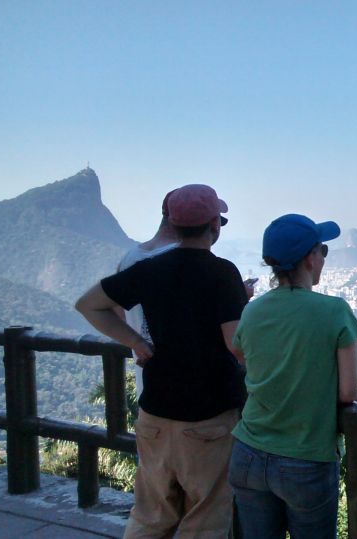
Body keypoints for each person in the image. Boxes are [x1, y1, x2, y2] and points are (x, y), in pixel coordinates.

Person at [75, 184, 247, 538]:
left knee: (151, 516)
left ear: (172, 223)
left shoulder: (149, 269)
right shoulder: (222, 273)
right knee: (206, 518)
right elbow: (236, 344)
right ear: (214, 225)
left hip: (154, 414)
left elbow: (89, 304)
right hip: (208, 419)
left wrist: (136, 342)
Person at [228, 213, 357, 539]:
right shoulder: (334, 311)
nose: (323, 259)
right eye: (323, 250)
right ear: (310, 257)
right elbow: (349, 393)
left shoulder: (253, 309)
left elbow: (240, 352)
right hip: (305, 459)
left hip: (247, 452)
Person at [116, 190, 179, 400]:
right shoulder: (185, 261)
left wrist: (139, 344)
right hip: (192, 398)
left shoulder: (129, 258)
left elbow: (118, 314)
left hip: (148, 391)